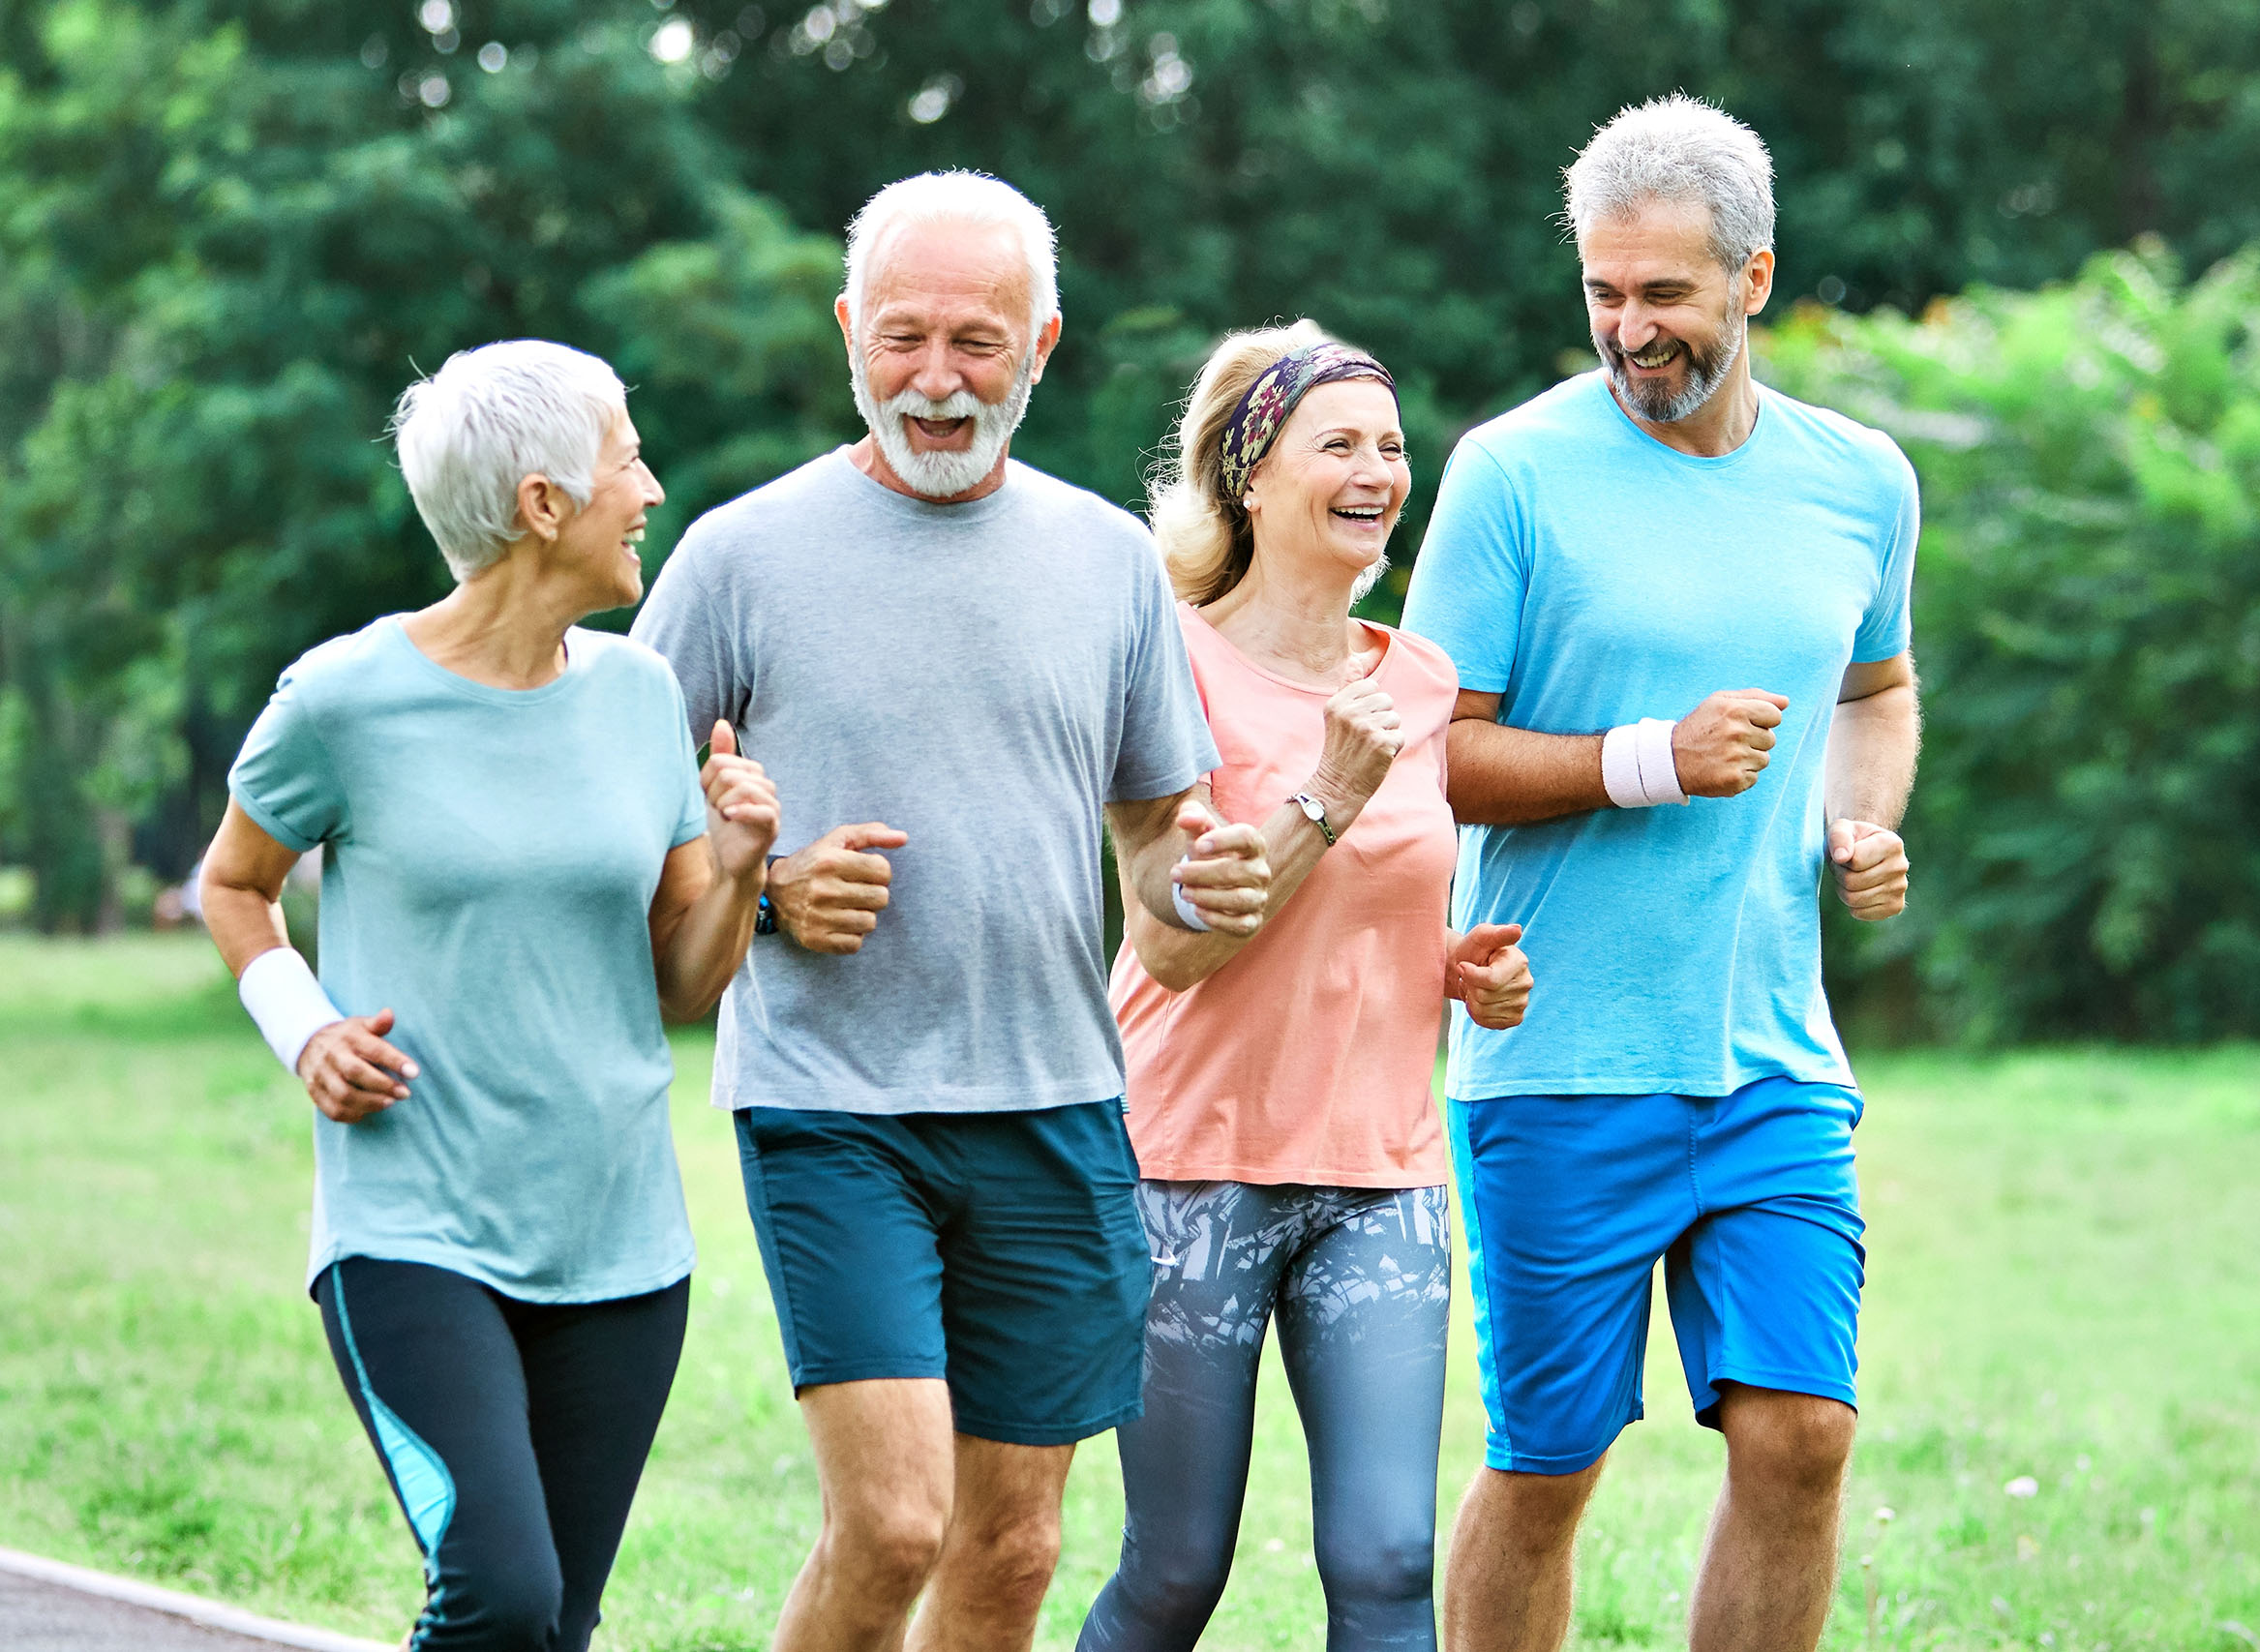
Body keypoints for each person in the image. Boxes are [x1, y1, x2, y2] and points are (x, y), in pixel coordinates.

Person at [628, 170, 1275, 1652]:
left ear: (1043, 344)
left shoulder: (1109, 561)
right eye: (903, 337)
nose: (936, 382)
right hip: (831, 1107)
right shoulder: (739, 554)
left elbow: (1157, 835)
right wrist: (766, 888)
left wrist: (1205, 869)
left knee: (1013, 1543)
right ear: (850, 331)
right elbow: (619, 813)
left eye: (976, 343)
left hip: (1054, 1101)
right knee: (897, 1522)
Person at [1399, 96, 1920, 1652]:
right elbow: (1427, 751)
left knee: (1803, 1436)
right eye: (1603, 295)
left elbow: (1875, 691)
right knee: (1550, 1463)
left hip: (1769, 1054)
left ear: (1754, 279)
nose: (1630, 331)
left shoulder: (1861, 482)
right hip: (1559, 1054)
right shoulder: (1512, 475)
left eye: (1666, 297)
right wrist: (1646, 756)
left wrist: (1862, 821)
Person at [197, 340, 782, 1651]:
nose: (652, 489)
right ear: (542, 503)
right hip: (412, 1235)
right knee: (501, 1601)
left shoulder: (642, 698)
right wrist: (305, 1032)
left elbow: (682, 979)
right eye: (626, 455)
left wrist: (742, 866)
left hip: (621, 1247)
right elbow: (235, 885)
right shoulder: (344, 699)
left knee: (555, 1623)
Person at [1076, 324, 1534, 1652]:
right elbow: (1173, 950)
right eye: (1338, 444)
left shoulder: (1423, 683)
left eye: (1390, 448)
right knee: (1175, 1572)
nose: (1377, 471)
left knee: (1391, 1564)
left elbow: (1368, 915)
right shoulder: (1166, 662)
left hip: (1382, 1173)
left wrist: (1455, 969)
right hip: (1189, 1166)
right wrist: (1325, 797)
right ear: (1248, 473)